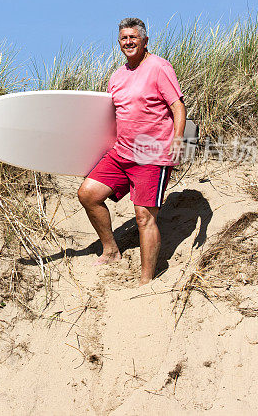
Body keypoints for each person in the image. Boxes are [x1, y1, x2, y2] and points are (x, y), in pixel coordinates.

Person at [77, 17, 186, 285]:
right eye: (124, 38)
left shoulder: (160, 67)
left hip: (152, 154)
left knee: (144, 217)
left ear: (145, 40)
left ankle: (146, 281)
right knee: (88, 194)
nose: (128, 42)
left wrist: (179, 139)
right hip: (121, 152)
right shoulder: (117, 76)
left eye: (133, 37)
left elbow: (178, 107)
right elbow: (111, 116)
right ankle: (111, 250)